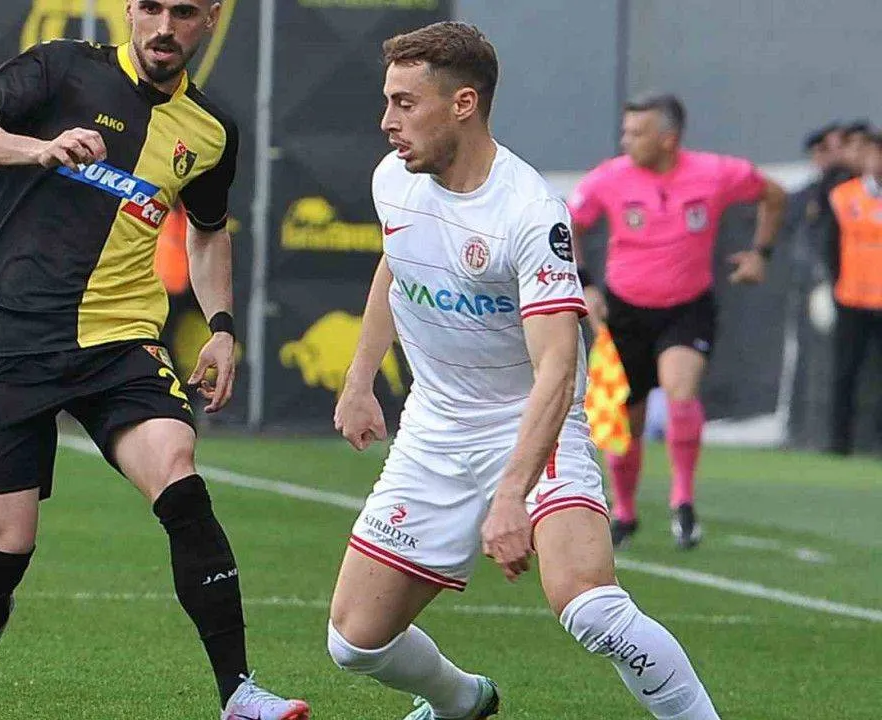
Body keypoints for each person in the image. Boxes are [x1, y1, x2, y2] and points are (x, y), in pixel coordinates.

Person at [327, 21, 722, 720]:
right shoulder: (394, 178)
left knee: (592, 609)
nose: (386, 121)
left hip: (533, 424)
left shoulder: (529, 213)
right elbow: (397, 262)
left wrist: (513, 491)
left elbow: (558, 370)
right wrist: (360, 380)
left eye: (404, 103)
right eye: (387, 101)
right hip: (435, 431)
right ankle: (462, 702)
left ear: (464, 103)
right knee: (354, 643)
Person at [0, 2, 309, 718]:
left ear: (210, 19)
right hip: (17, 335)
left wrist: (222, 326)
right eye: (152, 7)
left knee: (180, 478)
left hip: (121, 339)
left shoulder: (211, 129)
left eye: (184, 11)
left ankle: (239, 693)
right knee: (5, 545)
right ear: (130, 9)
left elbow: (207, 230)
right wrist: (37, 148)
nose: (165, 25)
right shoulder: (61, 67)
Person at [568, 93, 787, 550]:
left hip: (687, 308)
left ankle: (683, 502)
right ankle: (625, 512)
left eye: (637, 132)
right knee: (624, 416)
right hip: (625, 310)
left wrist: (760, 254)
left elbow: (774, 194)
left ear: (668, 139)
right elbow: (567, 226)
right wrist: (585, 284)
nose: (626, 140)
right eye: (626, 131)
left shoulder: (715, 172)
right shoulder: (608, 178)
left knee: (680, 390)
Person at [825, 131, 882, 455]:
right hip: (853, 298)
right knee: (845, 372)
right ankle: (839, 443)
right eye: (873, 154)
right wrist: (835, 285)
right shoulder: (844, 196)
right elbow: (830, 247)